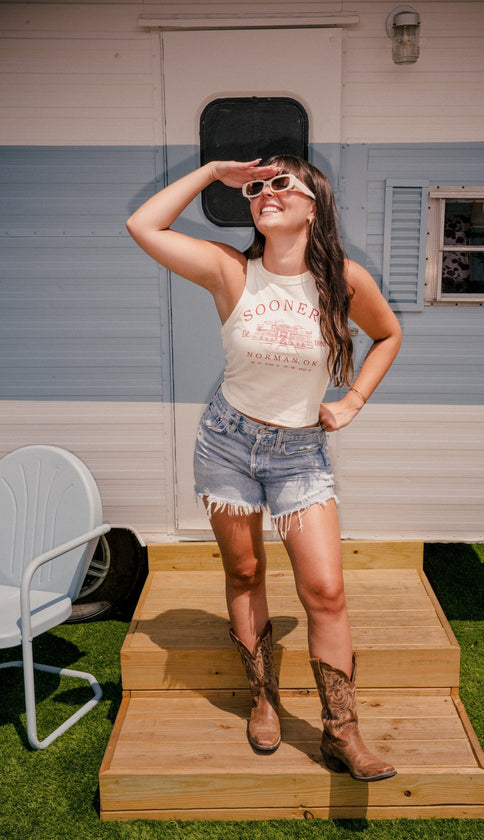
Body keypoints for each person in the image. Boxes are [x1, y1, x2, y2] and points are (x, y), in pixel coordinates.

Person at [127, 155, 402, 782]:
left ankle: (343, 731)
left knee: (325, 591)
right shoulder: (231, 272)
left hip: (300, 454)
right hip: (227, 443)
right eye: (256, 187)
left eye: (281, 183)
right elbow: (144, 226)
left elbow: (388, 335)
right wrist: (210, 173)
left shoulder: (344, 281)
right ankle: (262, 696)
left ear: (314, 205)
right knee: (245, 569)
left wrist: (353, 400)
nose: (264, 193)